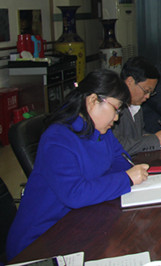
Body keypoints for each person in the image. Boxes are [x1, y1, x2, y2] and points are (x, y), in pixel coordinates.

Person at [6, 69, 149, 260]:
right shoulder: (57, 138)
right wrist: (125, 179)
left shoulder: (101, 131)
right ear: (92, 101)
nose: (116, 118)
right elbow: (75, 194)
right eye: (116, 109)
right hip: (41, 240)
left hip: (81, 220)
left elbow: (121, 161)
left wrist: (118, 178)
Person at [113, 57, 161, 155]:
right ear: (130, 82)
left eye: (150, 93)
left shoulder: (136, 106)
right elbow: (117, 145)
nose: (147, 96)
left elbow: (139, 135)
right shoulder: (113, 108)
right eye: (146, 91)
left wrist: (153, 136)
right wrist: (155, 140)